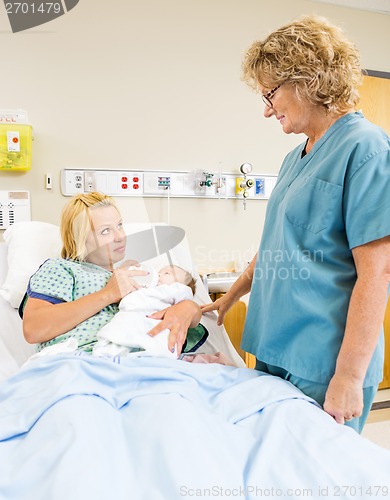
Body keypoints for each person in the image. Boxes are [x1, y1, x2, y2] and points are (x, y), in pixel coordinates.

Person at [202, 15, 390, 433]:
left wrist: (348, 377)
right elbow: (276, 246)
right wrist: (229, 298)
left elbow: (378, 272)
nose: (266, 110)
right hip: (273, 347)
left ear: (307, 80)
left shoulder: (367, 149)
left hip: (322, 361)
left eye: (270, 94)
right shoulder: (295, 157)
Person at [21, 192, 204, 356]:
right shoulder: (61, 269)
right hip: (83, 360)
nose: (120, 236)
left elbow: (172, 306)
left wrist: (189, 308)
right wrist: (107, 294)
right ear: (79, 240)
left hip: (144, 359)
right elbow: (34, 329)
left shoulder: (138, 274)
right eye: (106, 231)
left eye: (119, 225)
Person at [93, 264, 202, 358]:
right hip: (130, 318)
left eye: (167, 273)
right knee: (118, 338)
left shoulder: (177, 290)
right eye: (159, 272)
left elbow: (186, 295)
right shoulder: (145, 289)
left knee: (154, 344)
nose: (158, 275)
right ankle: (107, 354)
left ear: (181, 284)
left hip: (152, 325)